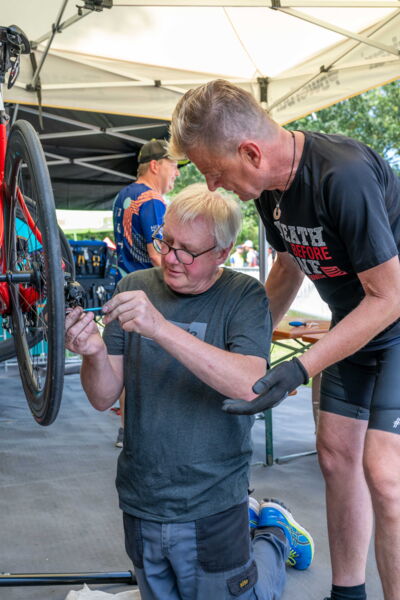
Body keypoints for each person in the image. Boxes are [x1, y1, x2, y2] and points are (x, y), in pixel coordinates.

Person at [168, 79, 400, 600]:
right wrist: (247, 352)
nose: (213, 185)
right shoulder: (270, 192)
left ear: (250, 153)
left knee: (384, 473)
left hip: (394, 317)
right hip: (355, 324)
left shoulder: (342, 175)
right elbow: (289, 269)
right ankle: (347, 593)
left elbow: (389, 297)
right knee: (335, 456)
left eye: (214, 171)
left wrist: (300, 367)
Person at [65, 183, 314, 600]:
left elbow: (249, 385)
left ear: (222, 252)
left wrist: (160, 328)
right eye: (166, 242)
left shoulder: (243, 295)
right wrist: (92, 353)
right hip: (142, 496)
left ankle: (273, 533)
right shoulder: (134, 286)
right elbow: (102, 396)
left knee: (249, 593)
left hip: (214, 500)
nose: (170, 258)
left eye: (188, 251)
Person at [112, 139, 179, 447]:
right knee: (154, 364)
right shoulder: (152, 200)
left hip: (124, 287)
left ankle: (126, 430)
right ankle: (150, 432)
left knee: (129, 362)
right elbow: (158, 255)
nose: (177, 173)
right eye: (173, 165)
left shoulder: (123, 196)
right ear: (155, 165)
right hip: (149, 294)